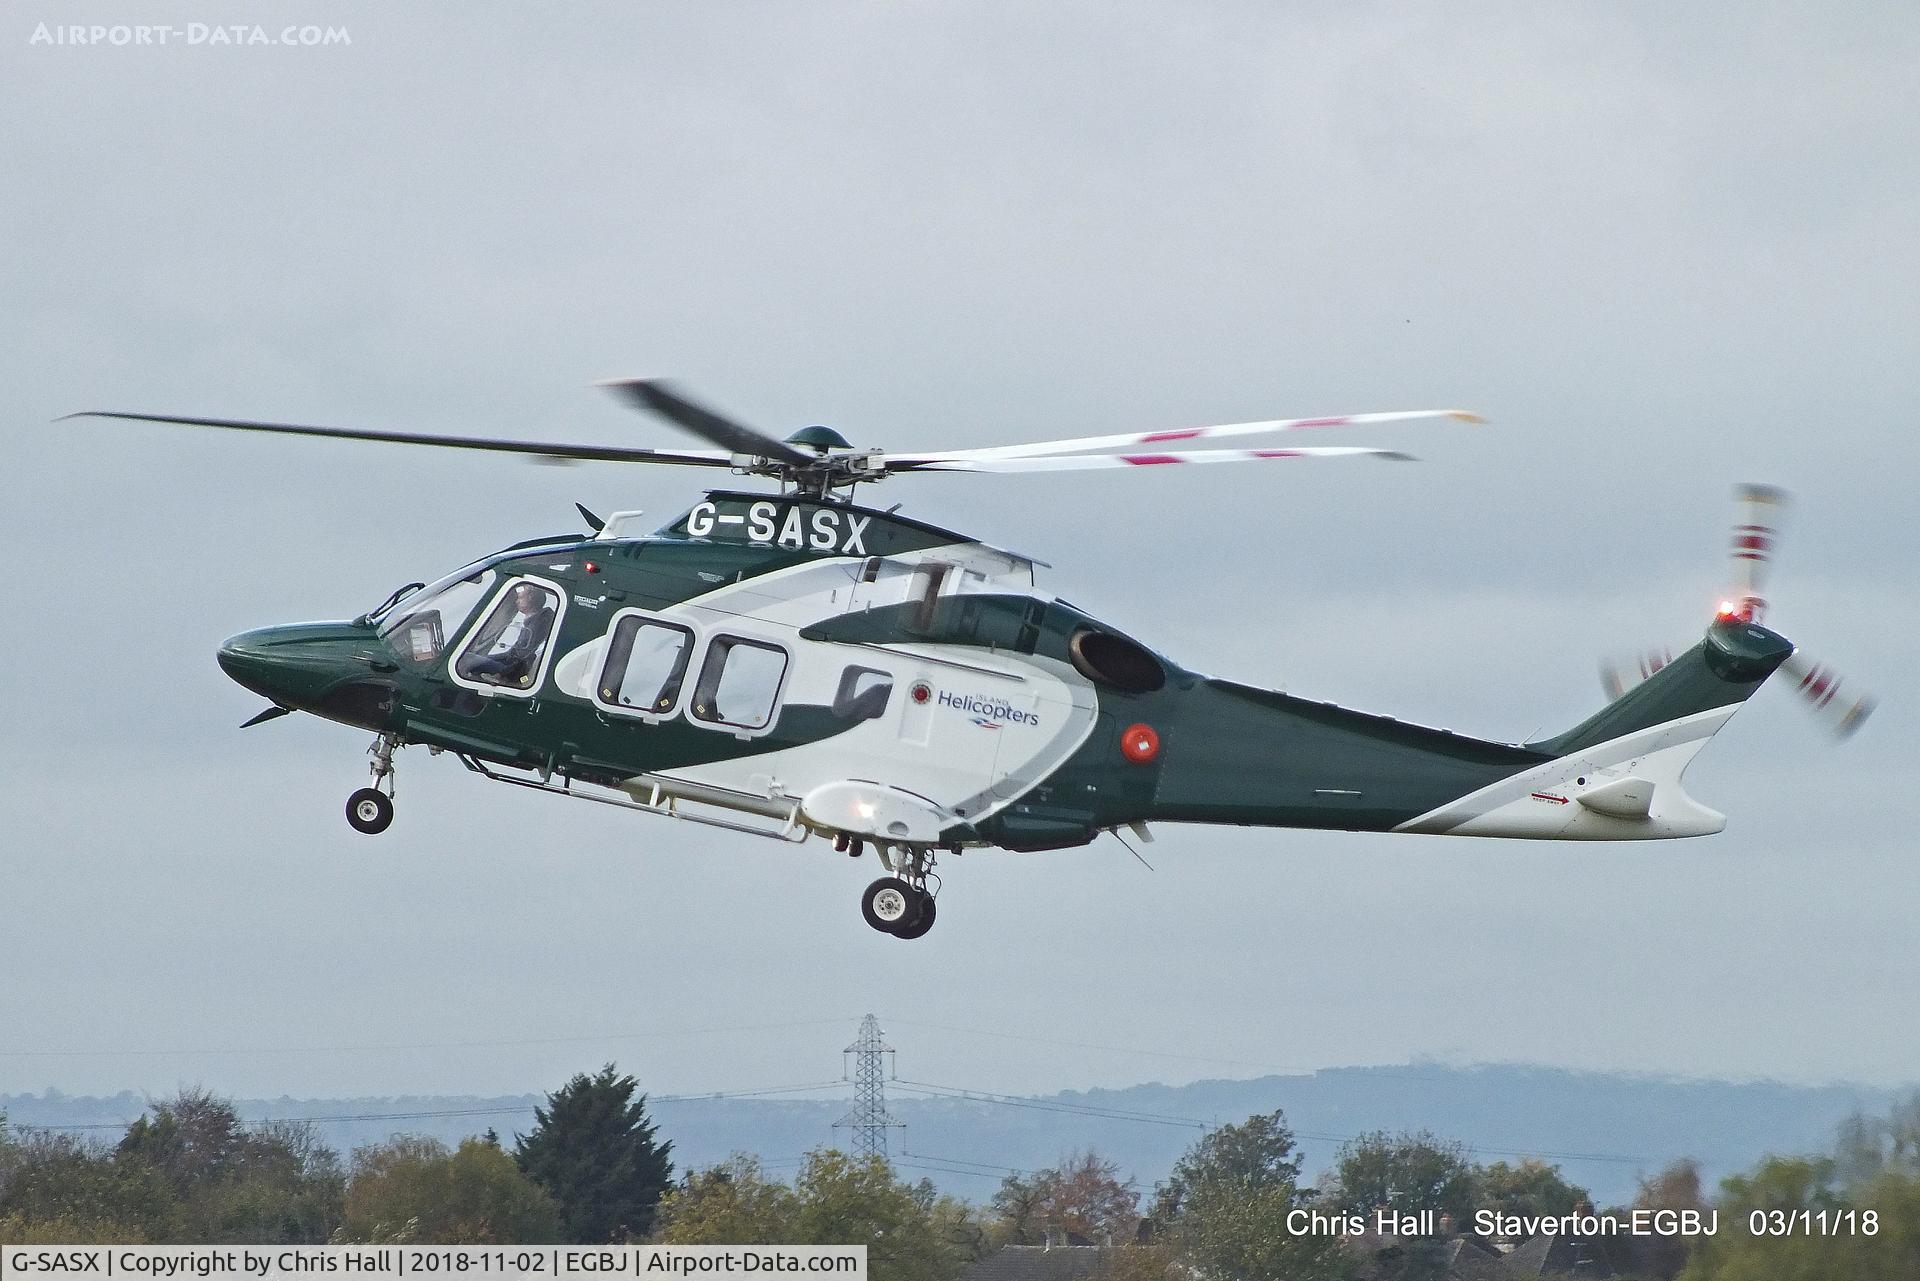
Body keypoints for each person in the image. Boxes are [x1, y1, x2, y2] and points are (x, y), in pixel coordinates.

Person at [460, 583, 555, 687]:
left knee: (467, 659)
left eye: (520, 598)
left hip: (515, 673)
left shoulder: (537, 624)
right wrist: (486, 657)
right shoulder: (536, 622)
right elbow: (513, 654)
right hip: (511, 667)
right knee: (472, 659)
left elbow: (523, 658)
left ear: (531, 597)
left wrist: (501, 675)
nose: (516, 601)